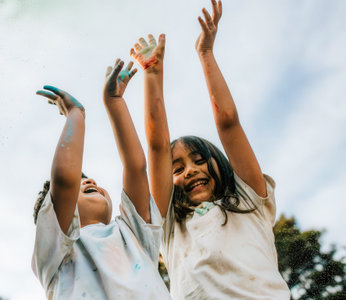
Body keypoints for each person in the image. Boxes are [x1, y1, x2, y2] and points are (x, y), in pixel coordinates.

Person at [130, 0, 291, 298]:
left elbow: (229, 124)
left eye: (200, 160)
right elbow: (155, 147)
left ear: (219, 164)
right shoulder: (169, 228)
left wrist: (205, 53)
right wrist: (152, 74)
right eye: (177, 169)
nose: (190, 170)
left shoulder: (249, 201)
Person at [32, 60, 171, 299]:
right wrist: (76, 114)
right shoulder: (55, 251)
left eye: (88, 180)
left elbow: (136, 167)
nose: (89, 182)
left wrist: (115, 102)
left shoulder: (133, 234)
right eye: (80, 183)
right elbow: (64, 179)